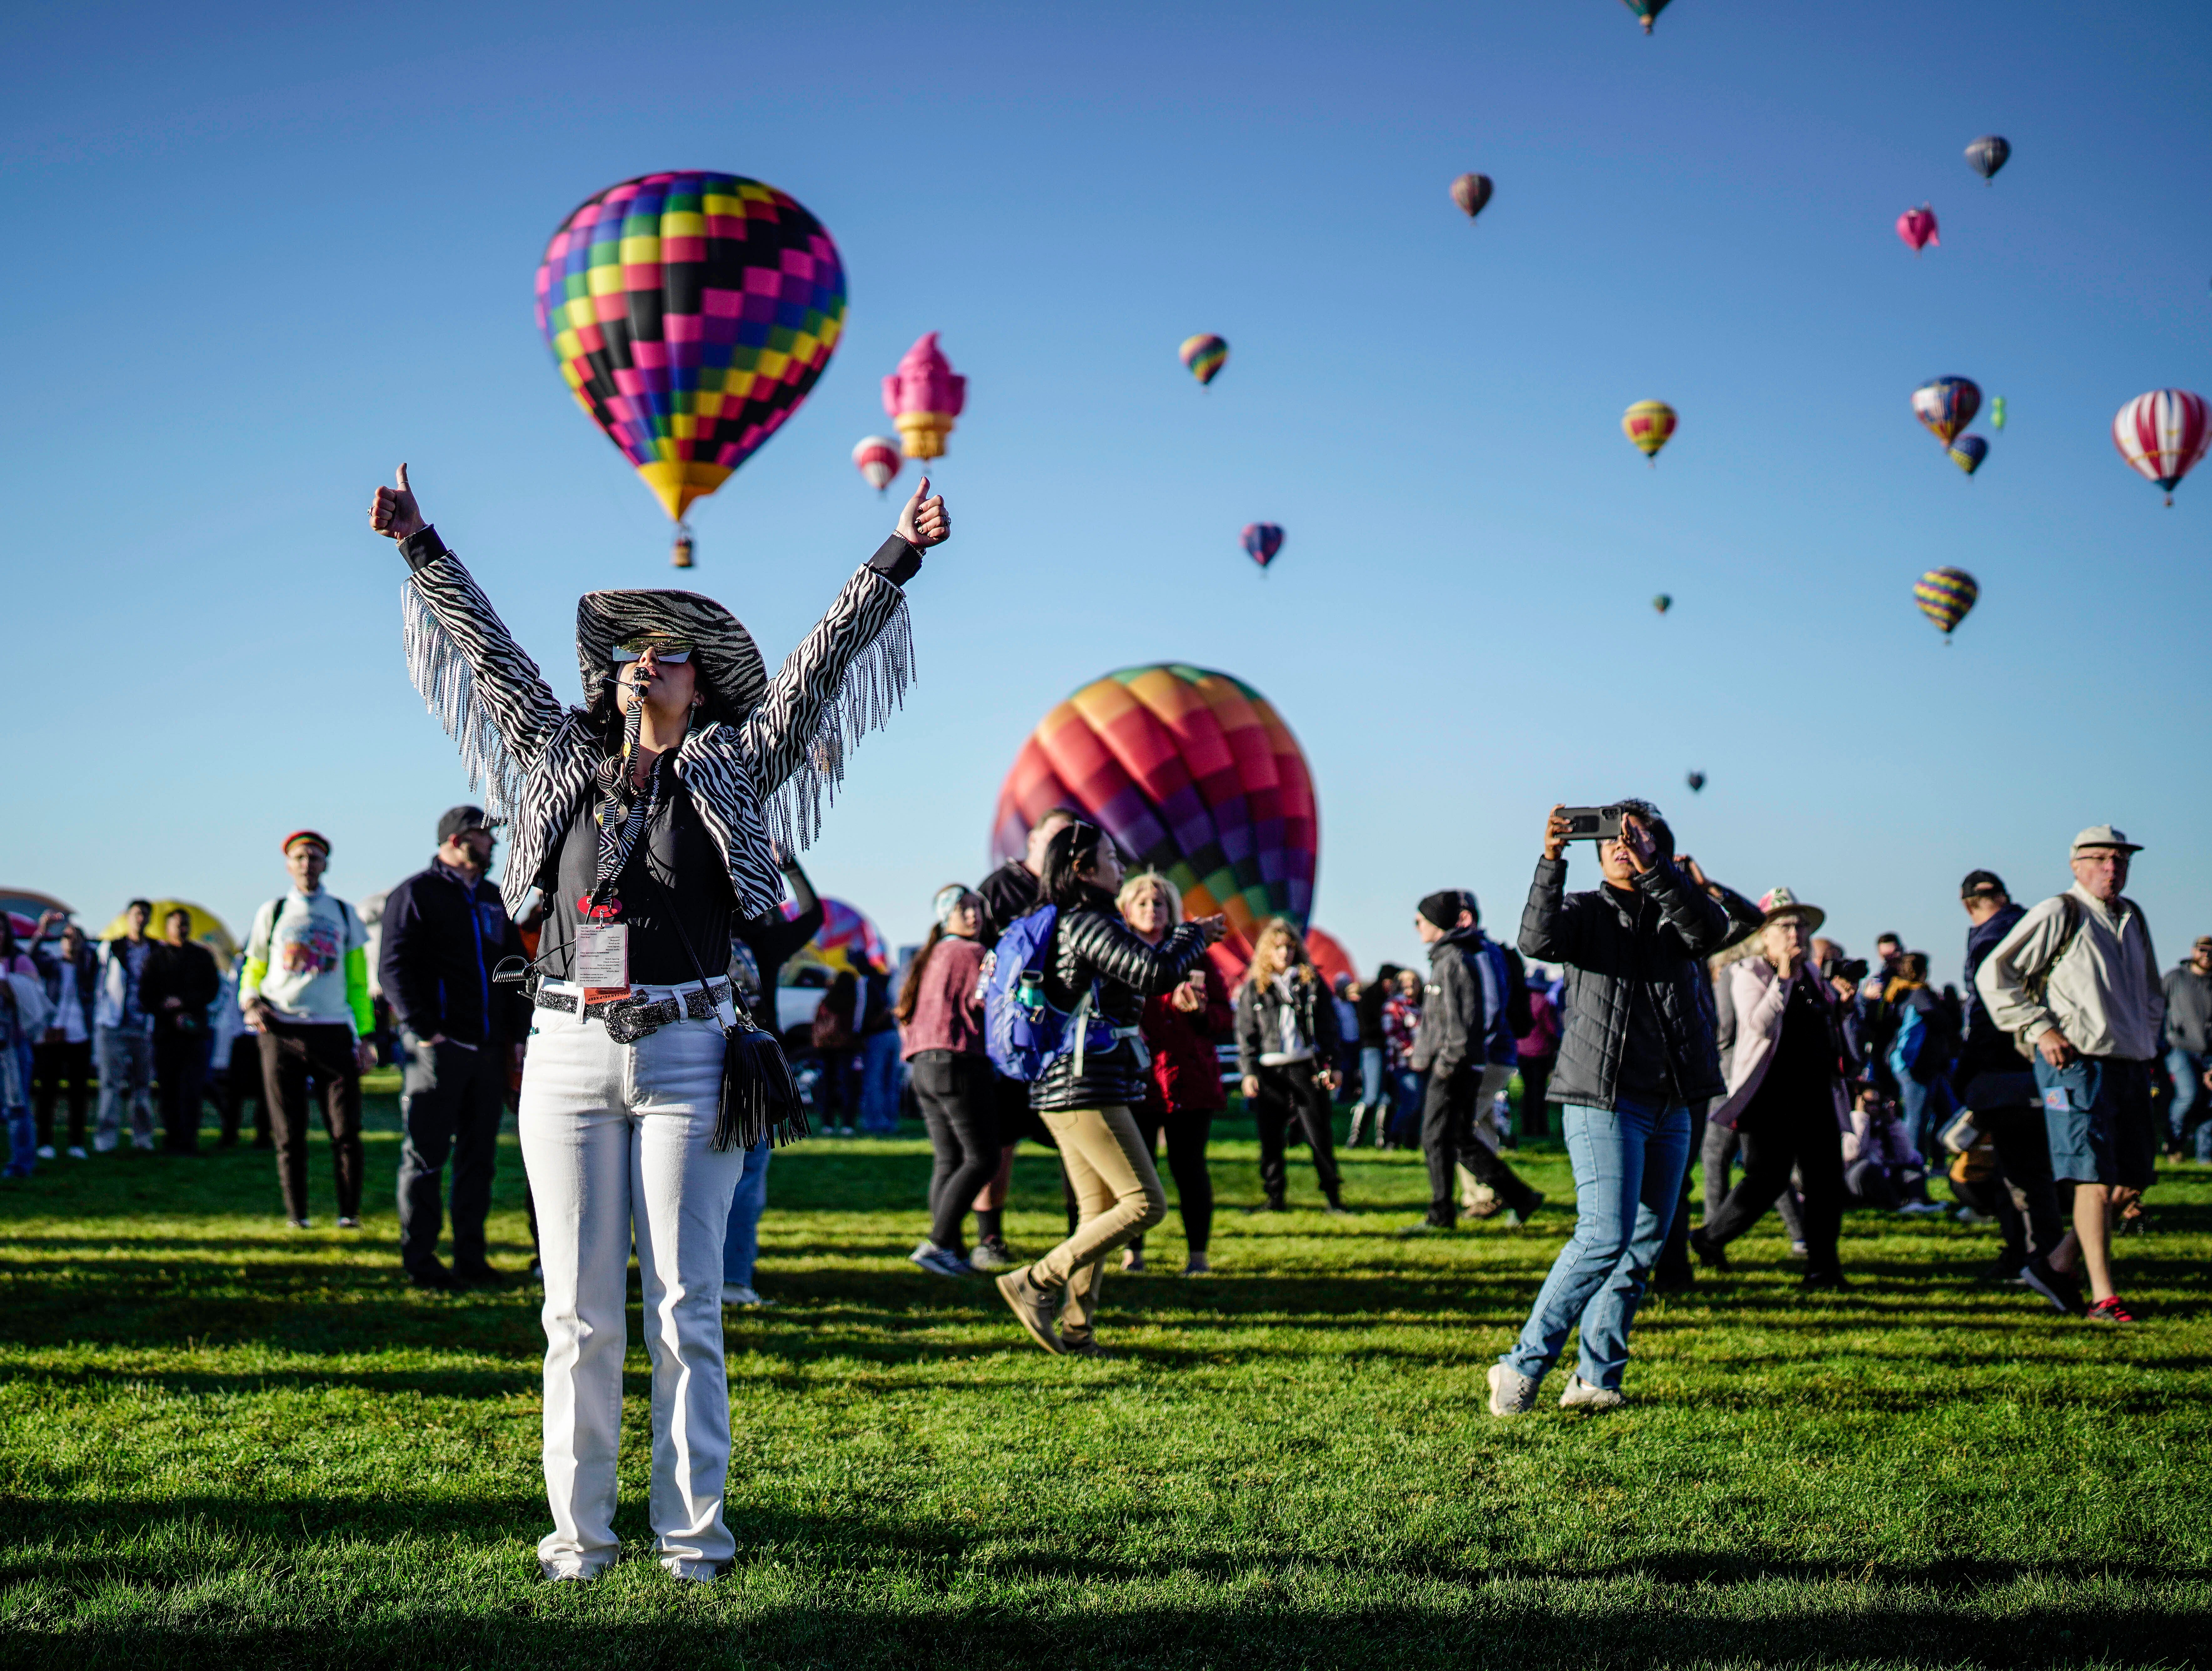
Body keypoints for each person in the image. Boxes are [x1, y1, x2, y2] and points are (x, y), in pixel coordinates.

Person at [371, 458, 946, 1581]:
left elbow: (819, 671)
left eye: (671, 649)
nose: (648, 657)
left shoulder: (734, 758)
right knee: (576, 1313)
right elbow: (489, 657)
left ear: (702, 685)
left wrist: (896, 554)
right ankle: (578, 1537)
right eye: (633, 647)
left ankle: (695, 1539)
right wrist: (420, 543)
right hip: (567, 1045)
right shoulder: (558, 754)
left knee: (686, 1305)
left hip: (694, 1047)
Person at [1491, 802, 1729, 1416]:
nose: (1620, 844)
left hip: (1671, 1100)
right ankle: (1521, 1365)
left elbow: (1711, 932)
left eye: (1635, 835)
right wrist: (1551, 859)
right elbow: (1536, 940)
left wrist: (1661, 873)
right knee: (1603, 1234)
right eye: (1610, 838)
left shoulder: (1680, 911)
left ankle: (1596, 1377)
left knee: (1643, 1243)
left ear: (1660, 847)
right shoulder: (1584, 912)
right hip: (1603, 1096)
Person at [992, 822, 1224, 1356]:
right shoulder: (1087, 922)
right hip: (1084, 1086)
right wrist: (1194, 935)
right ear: (1083, 869)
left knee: (1097, 1214)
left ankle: (1077, 1330)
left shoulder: (1076, 921)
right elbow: (1157, 972)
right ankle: (1037, 1279)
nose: (1121, 867)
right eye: (1112, 857)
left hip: (1068, 1083)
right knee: (1145, 1202)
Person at [1977, 826, 2163, 1325]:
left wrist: (2147, 1042)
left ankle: (2056, 1265)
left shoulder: (2130, 915)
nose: (2111, 867)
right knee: (2092, 1179)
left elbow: (2149, 990)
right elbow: (1996, 975)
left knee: (2130, 1180)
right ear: (2075, 864)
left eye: (2119, 860)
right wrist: (2039, 1029)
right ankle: (2103, 1297)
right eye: (2100, 859)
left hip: (2128, 1061)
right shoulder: (2059, 911)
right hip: (2075, 1062)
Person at [379, 806, 528, 1290]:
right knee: (424, 1158)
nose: (493, 843)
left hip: (487, 1051)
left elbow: (512, 970)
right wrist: (427, 1031)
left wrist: (519, 1035)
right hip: (438, 1049)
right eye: (486, 835)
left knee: (478, 1158)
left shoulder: (490, 898)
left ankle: (471, 1259)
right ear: (458, 838)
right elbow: (393, 969)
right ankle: (420, 1262)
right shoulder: (415, 894)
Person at [1692, 888, 1853, 1286]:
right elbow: (1759, 1025)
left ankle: (1823, 1267)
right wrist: (1782, 977)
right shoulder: (1747, 971)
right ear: (1764, 934)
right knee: (1767, 1180)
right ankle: (1709, 1238)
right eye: (1784, 925)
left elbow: (1827, 1027)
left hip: (1815, 1092)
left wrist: (1843, 1008)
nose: (1795, 933)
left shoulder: (1815, 974)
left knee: (1825, 1182)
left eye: (1801, 925)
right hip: (1768, 1095)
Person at [1950, 871, 2079, 1309]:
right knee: (2019, 1169)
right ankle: (2027, 1253)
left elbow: (1991, 1009)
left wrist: (1970, 1065)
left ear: (1968, 903)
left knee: (2024, 1172)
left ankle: (2038, 1257)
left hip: (2010, 1067)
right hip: (2029, 1067)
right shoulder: (2023, 926)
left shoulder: (1994, 938)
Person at [969, 805, 1084, 1267]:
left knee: (1076, 1137)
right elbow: (975, 950)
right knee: (1000, 1139)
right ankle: (988, 1237)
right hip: (1010, 1040)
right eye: (1054, 839)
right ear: (1033, 841)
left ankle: (1080, 1233)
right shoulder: (999, 888)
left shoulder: (1078, 892)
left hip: (1063, 1039)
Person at [241, 832, 375, 1229]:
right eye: (300, 857)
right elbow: (254, 966)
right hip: (280, 1031)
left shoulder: (344, 913)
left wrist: (365, 1037)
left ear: (325, 864)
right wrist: (250, 1001)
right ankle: (297, 1216)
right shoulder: (274, 910)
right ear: (288, 864)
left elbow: (357, 981)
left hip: (332, 1031)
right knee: (289, 1132)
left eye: (315, 857)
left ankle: (349, 1214)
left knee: (346, 1130)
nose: (307, 864)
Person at [1403, 891, 1541, 1234]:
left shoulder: (1454, 959)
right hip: (1465, 1060)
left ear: (1437, 921)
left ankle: (1442, 1213)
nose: (1416, 925)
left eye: (1420, 919)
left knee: (1435, 1137)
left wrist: (1448, 1061)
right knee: (1461, 1138)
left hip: (1457, 1063)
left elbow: (1470, 1016)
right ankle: (1519, 1195)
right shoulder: (1451, 956)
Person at [723, 856, 823, 1310]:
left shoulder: (742, 938)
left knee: (712, 1177)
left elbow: (812, 919)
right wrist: (789, 868)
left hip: (715, 1063)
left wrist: (788, 867)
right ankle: (732, 1278)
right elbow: (810, 916)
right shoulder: (759, 941)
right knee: (744, 1178)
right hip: (744, 1067)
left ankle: (711, 1276)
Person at [1121, 871, 1233, 1274]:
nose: (1152, 910)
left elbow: (1224, 1015)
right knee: (1137, 1170)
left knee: (1189, 1168)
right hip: (1136, 1078)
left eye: (1160, 902)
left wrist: (1202, 1012)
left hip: (1189, 1076)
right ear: (1126, 910)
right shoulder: (1118, 954)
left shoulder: (1195, 954)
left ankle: (1197, 1255)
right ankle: (1133, 1251)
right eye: (1143, 903)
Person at [897, 885, 993, 1277]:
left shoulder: (931, 954)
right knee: (982, 1157)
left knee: (949, 1158)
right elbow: (987, 1000)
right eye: (963, 909)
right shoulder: (973, 953)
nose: (973, 915)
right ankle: (938, 1244)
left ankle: (950, 1249)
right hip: (957, 1059)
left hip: (923, 1065)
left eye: (977, 908)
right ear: (945, 916)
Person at [1234, 918, 1351, 1215]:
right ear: (1266, 952)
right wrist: (1248, 1072)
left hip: (1304, 1067)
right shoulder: (1255, 989)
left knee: (1318, 1134)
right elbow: (1246, 1035)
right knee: (1270, 1138)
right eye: (1277, 948)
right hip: (1270, 1071)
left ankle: (1334, 1198)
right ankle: (1274, 1198)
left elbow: (1329, 1027)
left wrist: (1334, 1065)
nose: (1284, 954)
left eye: (1289, 947)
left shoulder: (1310, 984)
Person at [144, 908, 220, 1154]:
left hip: (194, 1034)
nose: (182, 929)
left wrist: (185, 1005)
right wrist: (168, 1011)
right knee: (168, 1089)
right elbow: (146, 995)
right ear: (168, 928)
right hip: (166, 1035)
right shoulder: (156, 959)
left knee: (191, 1089)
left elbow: (211, 991)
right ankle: (171, 1139)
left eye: (186, 925)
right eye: (178, 925)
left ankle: (189, 1140)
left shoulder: (201, 957)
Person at [92, 900, 159, 1153]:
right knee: (110, 1085)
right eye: (136, 914)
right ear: (127, 917)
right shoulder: (112, 947)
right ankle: (106, 1140)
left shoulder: (155, 949)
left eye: (145, 915)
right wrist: (102, 1018)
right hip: (113, 1026)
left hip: (144, 1027)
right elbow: (99, 984)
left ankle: (142, 1138)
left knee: (142, 1086)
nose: (140, 919)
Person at [1883, 952, 1958, 1163]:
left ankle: (1934, 1159)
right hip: (1918, 1067)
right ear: (1923, 971)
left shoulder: (1899, 993)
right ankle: (1912, 1164)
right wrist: (1949, 1001)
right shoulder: (1921, 996)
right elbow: (1946, 1024)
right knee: (1916, 1118)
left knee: (1941, 1111)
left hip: (1916, 1065)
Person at [32, 921, 97, 1159]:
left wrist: (82, 943)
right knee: (48, 1091)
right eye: (67, 937)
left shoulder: (87, 966)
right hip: (53, 1034)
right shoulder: (53, 966)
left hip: (80, 1035)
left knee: (78, 1092)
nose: (71, 941)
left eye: (75, 937)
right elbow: (31, 958)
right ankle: (45, 1142)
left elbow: (92, 959)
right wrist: (43, 930)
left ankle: (76, 1143)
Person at [2162, 936, 2212, 1163]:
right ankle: (2174, 1143)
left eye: (2210, 951)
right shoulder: (2175, 978)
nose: (2207, 955)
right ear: (2193, 951)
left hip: (2209, 1052)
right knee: (2188, 1095)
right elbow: (2155, 1009)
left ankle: (2205, 1157)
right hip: (2179, 1048)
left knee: (2209, 1104)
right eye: (2202, 950)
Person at [1346, 963, 1398, 1148]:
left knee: (1386, 1097)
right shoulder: (1371, 997)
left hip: (1387, 1050)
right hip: (1372, 1049)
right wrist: (1387, 1030)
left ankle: (1382, 1140)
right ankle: (1355, 1139)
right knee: (1372, 1095)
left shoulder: (1390, 999)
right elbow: (1366, 1028)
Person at [810, 969, 862, 1136]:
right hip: (846, 1046)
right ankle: (848, 1124)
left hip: (825, 1046)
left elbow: (817, 1020)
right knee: (847, 1085)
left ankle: (828, 1123)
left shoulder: (827, 999)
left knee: (827, 1085)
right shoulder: (852, 1000)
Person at [1514, 973, 1561, 1140]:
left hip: (1522, 1052)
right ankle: (1540, 1128)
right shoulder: (1544, 1002)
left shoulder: (1523, 1001)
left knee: (1527, 1092)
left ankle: (1526, 1127)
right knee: (1539, 1092)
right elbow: (1551, 1028)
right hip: (1540, 1053)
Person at [1382, 967, 1424, 1148]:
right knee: (1411, 1102)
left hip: (1422, 1062)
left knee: (1419, 1103)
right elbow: (1392, 1033)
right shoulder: (1393, 1006)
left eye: (1414, 981)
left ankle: (1412, 1142)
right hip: (1403, 1062)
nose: (1410, 985)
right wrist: (1413, 1049)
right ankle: (1393, 1138)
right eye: (1406, 980)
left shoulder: (1419, 1007)